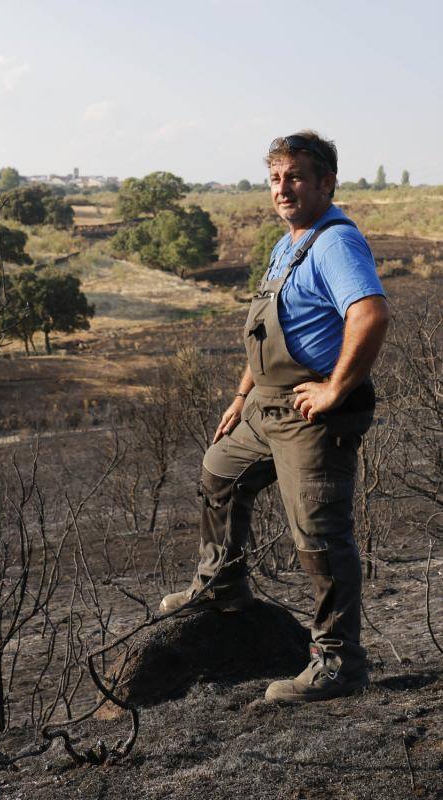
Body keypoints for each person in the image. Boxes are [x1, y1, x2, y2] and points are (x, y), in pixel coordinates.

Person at [160, 130, 390, 703]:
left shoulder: (335, 243)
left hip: (311, 418)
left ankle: (339, 663)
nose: (282, 189)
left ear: (325, 183)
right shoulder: (288, 244)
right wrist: (242, 395)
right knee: (219, 473)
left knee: (318, 537)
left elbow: (370, 314)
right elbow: (269, 329)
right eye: (275, 178)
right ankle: (222, 585)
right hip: (265, 405)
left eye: (295, 177)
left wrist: (335, 390)